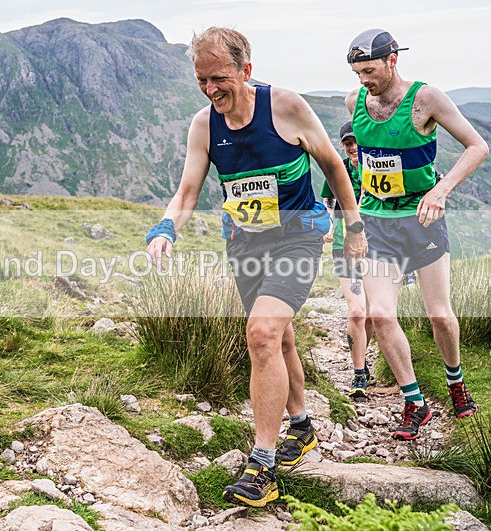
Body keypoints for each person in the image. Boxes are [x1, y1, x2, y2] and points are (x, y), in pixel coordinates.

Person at [145, 27, 367, 507]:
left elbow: (333, 165)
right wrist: (165, 228)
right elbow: (187, 191)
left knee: (262, 333)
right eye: (201, 80)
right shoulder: (204, 125)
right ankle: (302, 426)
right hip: (245, 244)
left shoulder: (286, 107)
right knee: (279, 338)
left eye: (219, 77)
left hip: (298, 236)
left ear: (246, 70)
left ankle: (262, 465)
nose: (210, 89)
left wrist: (354, 227)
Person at [344, 29, 489, 440]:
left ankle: (455, 381)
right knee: (380, 314)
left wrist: (441, 191)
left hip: (421, 219)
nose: (364, 80)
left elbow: (477, 147)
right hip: (376, 221)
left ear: (392, 60)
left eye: (369, 70)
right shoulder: (355, 102)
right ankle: (414, 402)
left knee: (439, 315)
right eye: (357, 73)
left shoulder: (426, 99)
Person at [320, 121, 375, 398]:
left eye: (356, 141)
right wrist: (327, 228)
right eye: (347, 143)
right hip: (344, 246)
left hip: (377, 247)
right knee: (357, 311)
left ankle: (361, 353)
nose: (353, 147)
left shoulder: (377, 167)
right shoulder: (338, 170)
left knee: (374, 315)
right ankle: (359, 373)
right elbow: (328, 204)